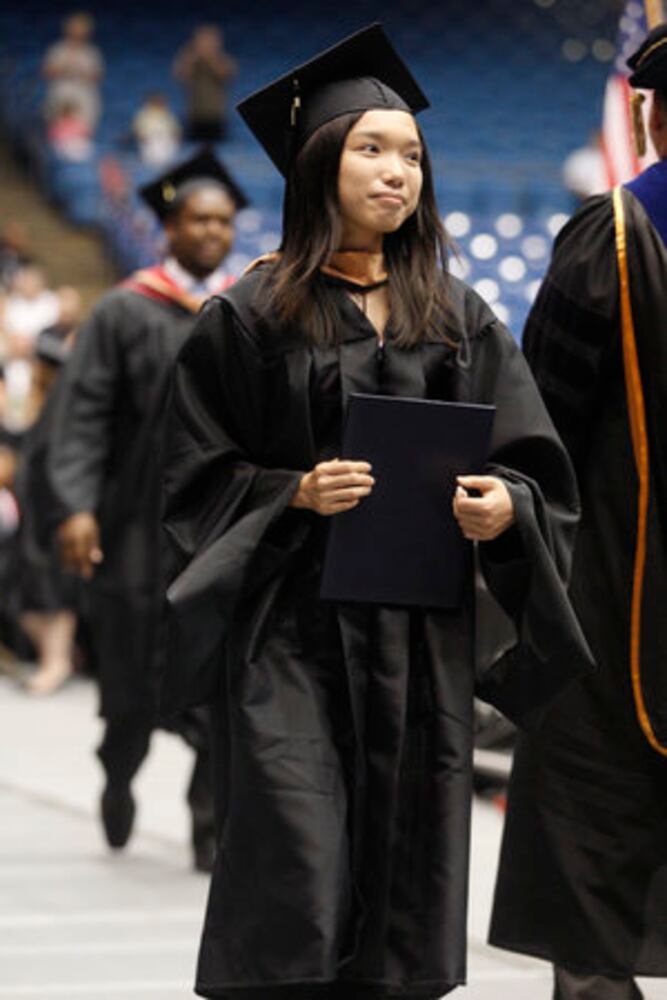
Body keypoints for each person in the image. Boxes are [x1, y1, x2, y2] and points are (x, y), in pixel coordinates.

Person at [161, 24, 593, 998]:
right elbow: (190, 477)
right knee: (297, 871)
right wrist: (290, 490)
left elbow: (535, 469)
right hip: (290, 634)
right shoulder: (249, 316)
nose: (396, 171)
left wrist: (503, 508)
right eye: (371, 148)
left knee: (402, 883)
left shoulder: (458, 314)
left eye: (410, 154)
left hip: (416, 641)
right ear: (319, 161)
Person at [489, 24, 667, 1000]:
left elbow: (539, 431)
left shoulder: (609, 238)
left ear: (647, 114)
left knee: (594, 867)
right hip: (616, 608)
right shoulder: (616, 237)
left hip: (614, 610)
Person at [47, 148, 248, 872]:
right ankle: (119, 770)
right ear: (168, 228)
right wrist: (75, 505)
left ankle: (207, 827)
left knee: (220, 684)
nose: (212, 234)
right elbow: (82, 417)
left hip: (218, 528)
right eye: (197, 220)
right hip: (135, 528)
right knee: (131, 680)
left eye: (223, 221)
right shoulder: (125, 310)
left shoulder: (244, 310)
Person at [172, 25, 237, 142]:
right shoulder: (190, 59)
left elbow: (225, 75)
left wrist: (211, 56)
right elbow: (180, 76)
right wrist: (191, 55)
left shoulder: (223, 59)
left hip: (216, 116)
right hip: (194, 115)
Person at [41, 12, 104, 132]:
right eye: (75, 30)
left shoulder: (91, 52)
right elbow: (46, 72)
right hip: (60, 94)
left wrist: (82, 73)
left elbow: (98, 77)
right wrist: (63, 69)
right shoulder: (57, 50)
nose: (78, 34)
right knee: (57, 130)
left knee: (82, 131)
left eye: (82, 31)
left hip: (84, 97)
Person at [131, 92, 182, 167]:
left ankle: (168, 160)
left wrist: (177, 134)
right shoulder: (144, 114)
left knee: (170, 151)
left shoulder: (167, 114)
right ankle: (152, 160)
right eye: (156, 101)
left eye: (161, 102)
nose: (159, 104)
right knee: (152, 153)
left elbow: (174, 126)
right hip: (150, 138)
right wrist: (141, 135)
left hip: (166, 137)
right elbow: (137, 127)